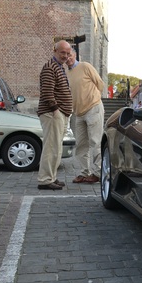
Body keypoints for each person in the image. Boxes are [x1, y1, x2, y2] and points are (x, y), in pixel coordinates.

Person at [36, 40, 74, 190]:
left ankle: (51, 177)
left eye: (67, 53)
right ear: (55, 51)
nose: (65, 56)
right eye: (62, 52)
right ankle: (45, 180)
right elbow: (47, 92)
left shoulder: (59, 67)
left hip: (60, 113)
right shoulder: (49, 68)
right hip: (52, 113)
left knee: (56, 147)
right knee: (51, 147)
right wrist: (56, 110)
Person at [66, 49, 105, 184]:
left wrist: (94, 98)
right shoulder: (67, 73)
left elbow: (99, 83)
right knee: (82, 144)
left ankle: (98, 173)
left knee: (95, 142)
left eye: (70, 55)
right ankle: (84, 173)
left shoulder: (85, 66)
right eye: (65, 55)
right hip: (78, 113)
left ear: (75, 55)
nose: (68, 58)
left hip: (93, 109)